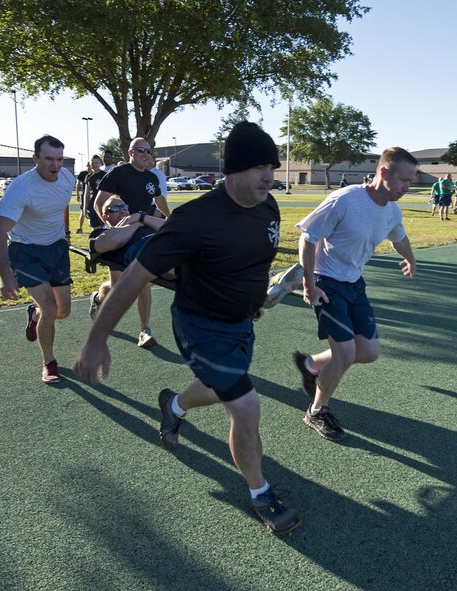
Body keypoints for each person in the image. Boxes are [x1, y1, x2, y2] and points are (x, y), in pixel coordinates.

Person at [74, 122, 300, 534]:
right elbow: (133, 277)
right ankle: (260, 492)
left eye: (273, 164)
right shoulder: (195, 219)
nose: (269, 175)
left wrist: (253, 300)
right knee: (246, 405)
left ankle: (173, 406)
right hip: (200, 324)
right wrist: (95, 340)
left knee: (220, 388)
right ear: (232, 171)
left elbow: (250, 262)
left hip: (240, 322)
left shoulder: (269, 207)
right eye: (258, 166)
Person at [292, 147, 418, 442]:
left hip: (354, 283)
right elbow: (307, 237)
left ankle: (310, 365)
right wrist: (310, 284)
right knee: (345, 353)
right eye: (404, 180)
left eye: (411, 181)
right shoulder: (345, 200)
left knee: (368, 352)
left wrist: (411, 258)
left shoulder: (392, 210)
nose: (407, 187)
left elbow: (399, 236)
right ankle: (317, 410)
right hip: (327, 281)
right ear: (384, 172)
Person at [0, 135, 76, 384]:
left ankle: (36, 314)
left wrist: (66, 233)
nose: (55, 165)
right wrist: (5, 276)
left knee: (63, 311)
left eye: (60, 159)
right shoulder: (22, 188)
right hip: (26, 252)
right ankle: (49, 363)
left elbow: (61, 206)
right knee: (50, 307)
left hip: (56, 248)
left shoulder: (67, 178)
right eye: (49, 159)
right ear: (35, 158)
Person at [93, 138, 171, 348]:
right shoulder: (118, 173)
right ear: (130, 152)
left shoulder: (151, 177)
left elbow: (159, 199)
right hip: (120, 235)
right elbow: (99, 202)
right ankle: (99, 298)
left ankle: (144, 329)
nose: (145, 154)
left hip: (141, 233)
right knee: (118, 288)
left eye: (148, 151)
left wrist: (168, 216)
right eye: (140, 150)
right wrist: (111, 225)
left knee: (143, 278)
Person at [88, 197, 167, 321]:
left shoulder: (143, 222)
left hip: (163, 248)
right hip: (147, 253)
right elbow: (114, 240)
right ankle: (98, 298)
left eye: (124, 207)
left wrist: (142, 218)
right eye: (114, 209)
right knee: (116, 290)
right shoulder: (102, 233)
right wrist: (135, 224)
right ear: (105, 217)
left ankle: (145, 329)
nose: (122, 211)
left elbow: (174, 228)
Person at [82, 155, 106, 231]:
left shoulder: (104, 175)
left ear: (100, 163)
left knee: (103, 226)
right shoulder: (88, 177)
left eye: (96, 162)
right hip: (92, 204)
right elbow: (86, 194)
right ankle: (95, 241)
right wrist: (85, 208)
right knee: (95, 227)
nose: (94, 164)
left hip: (102, 204)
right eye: (93, 162)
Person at [75, 162, 91, 234]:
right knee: (82, 211)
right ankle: (80, 228)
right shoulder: (83, 173)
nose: (89, 166)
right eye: (88, 165)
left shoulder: (96, 173)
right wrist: (77, 194)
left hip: (94, 195)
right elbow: (78, 184)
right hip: (85, 194)